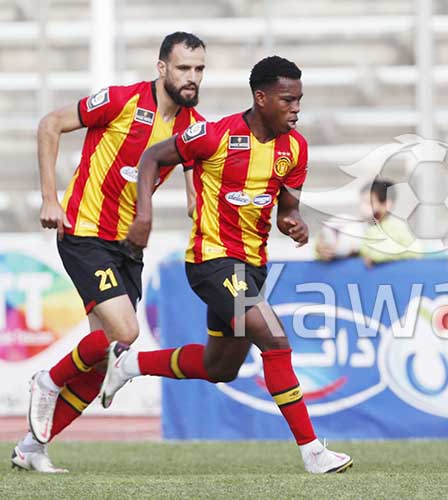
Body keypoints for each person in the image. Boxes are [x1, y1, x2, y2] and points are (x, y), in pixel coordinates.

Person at [100, 56, 353, 474]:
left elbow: (287, 209)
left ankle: (129, 364)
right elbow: (152, 157)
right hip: (212, 262)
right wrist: (143, 214)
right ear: (261, 98)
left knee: (220, 367)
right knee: (274, 339)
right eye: (287, 100)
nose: (296, 109)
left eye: (299, 100)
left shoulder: (295, 148)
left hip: (252, 268)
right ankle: (312, 451)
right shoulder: (215, 136)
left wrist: (294, 223)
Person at [15, 32, 206, 473]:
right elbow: (49, 124)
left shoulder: (192, 126)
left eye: (199, 69)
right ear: (162, 68)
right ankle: (47, 381)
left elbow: (195, 184)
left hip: (128, 249)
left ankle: (31, 447)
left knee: (101, 359)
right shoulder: (122, 101)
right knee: (125, 331)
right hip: (85, 232)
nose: (192, 77)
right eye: (183, 68)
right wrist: (50, 198)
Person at [315, 178, 420, 266]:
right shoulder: (355, 227)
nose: (363, 207)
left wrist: (376, 255)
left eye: (369, 202)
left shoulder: (398, 228)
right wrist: (320, 249)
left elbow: (416, 250)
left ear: (387, 204)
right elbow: (325, 244)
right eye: (362, 202)